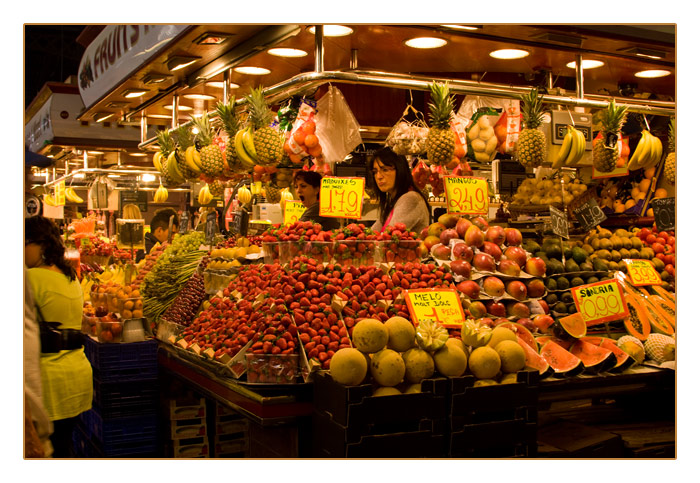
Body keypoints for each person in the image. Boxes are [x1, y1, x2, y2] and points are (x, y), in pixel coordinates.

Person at [25, 216, 93, 457]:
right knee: (64, 446)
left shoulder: (29, 279)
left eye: (24, 243)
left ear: (40, 245)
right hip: (77, 379)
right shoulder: (71, 277)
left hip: (48, 385)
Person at [366, 146, 431, 234]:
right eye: (375, 172)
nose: (378, 176)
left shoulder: (411, 198)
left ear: (400, 169)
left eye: (385, 170)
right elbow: (372, 234)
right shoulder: (392, 201)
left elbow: (387, 238)